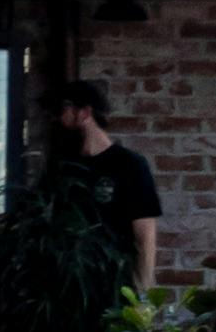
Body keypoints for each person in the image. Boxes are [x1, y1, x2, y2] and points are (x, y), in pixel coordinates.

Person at [59, 81, 162, 288]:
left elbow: (145, 236)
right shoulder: (63, 167)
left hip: (114, 284)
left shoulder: (130, 165)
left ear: (84, 113)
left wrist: (142, 293)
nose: (58, 119)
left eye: (63, 110)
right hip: (69, 285)